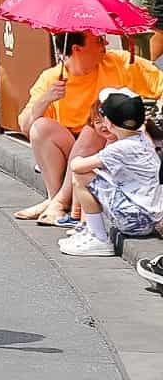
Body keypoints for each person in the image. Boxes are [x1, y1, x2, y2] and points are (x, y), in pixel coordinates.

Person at [14, 31, 162, 226]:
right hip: (71, 153)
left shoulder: (120, 62)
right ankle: (56, 198)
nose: (106, 43)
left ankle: (58, 202)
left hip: (110, 152)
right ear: (76, 49)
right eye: (99, 40)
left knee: (93, 129)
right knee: (40, 128)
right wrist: (46, 99)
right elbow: (25, 126)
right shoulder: (52, 78)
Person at [58, 90, 163, 257]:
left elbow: (78, 167)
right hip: (147, 217)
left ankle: (98, 238)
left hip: (135, 219)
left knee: (82, 175)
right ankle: (89, 229)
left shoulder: (119, 148)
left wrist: (76, 158)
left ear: (109, 122)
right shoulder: (140, 137)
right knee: (92, 174)